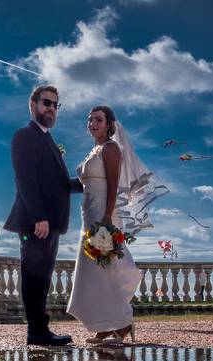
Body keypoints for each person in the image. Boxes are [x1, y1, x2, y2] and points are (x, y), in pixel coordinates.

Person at [67, 105, 163, 345]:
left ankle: (122, 322)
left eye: (98, 120)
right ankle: (106, 324)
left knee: (107, 267)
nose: (93, 124)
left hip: (103, 214)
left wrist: (108, 217)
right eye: (89, 120)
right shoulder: (94, 150)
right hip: (88, 215)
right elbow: (84, 184)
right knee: (94, 271)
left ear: (109, 124)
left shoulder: (111, 148)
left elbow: (113, 185)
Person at [4, 85, 83, 347]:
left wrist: (91, 181)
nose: (51, 108)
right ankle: (36, 331)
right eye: (46, 103)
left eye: (55, 105)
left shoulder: (47, 139)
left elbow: (58, 184)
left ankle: (40, 330)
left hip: (51, 224)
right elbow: (25, 179)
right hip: (35, 222)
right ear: (33, 105)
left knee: (44, 277)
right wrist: (39, 216)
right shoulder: (24, 135)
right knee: (34, 275)